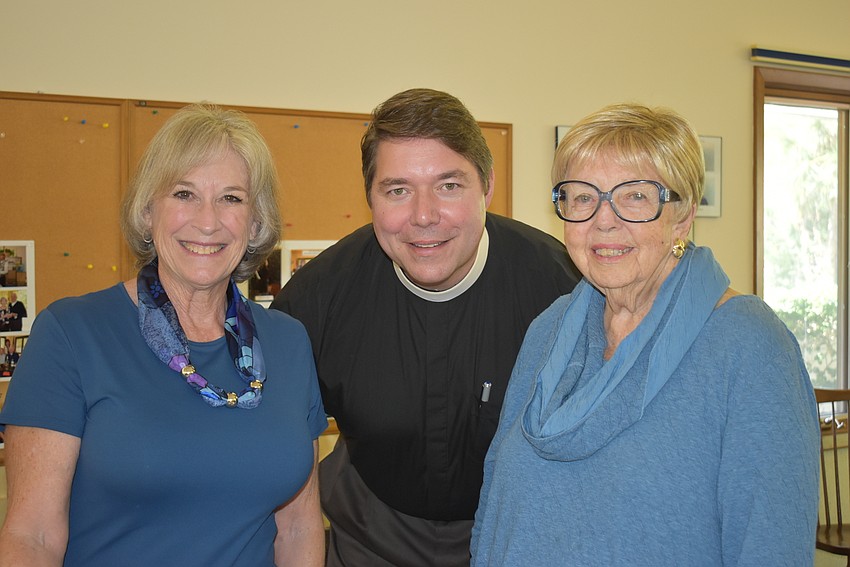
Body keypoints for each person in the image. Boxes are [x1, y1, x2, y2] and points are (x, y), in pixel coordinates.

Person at [470, 103, 820, 565]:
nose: (603, 219)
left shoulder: (750, 345)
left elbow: (771, 546)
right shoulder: (549, 330)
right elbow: (496, 499)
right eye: (581, 196)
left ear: (683, 215)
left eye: (635, 196)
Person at [0, 104, 327, 566]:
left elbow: (298, 527)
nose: (208, 222)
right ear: (147, 211)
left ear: (256, 224)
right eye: (184, 193)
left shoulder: (288, 343)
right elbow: (31, 539)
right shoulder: (72, 335)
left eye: (232, 198)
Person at [271, 88, 580, 566]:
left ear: (488, 188)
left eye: (449, 185)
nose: (423, 216)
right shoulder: (317, 299)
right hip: (368, 536)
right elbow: (275, 458)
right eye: (397, 190)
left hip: (522, 535)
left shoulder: (562, 288)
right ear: (370, 196)